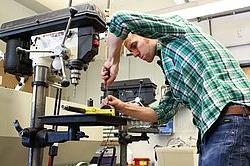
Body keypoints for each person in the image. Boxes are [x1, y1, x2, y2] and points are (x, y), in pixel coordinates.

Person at [101, 10, 250, 166]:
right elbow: (161, 114)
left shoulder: (174, 30)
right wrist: (122, 106)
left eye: (134, 45)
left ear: (147, 34)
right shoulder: (172, 69)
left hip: (229, 123)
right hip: (222, 128)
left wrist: (113, 61)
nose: (135, 53)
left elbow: (120, 20)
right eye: (131, 52)